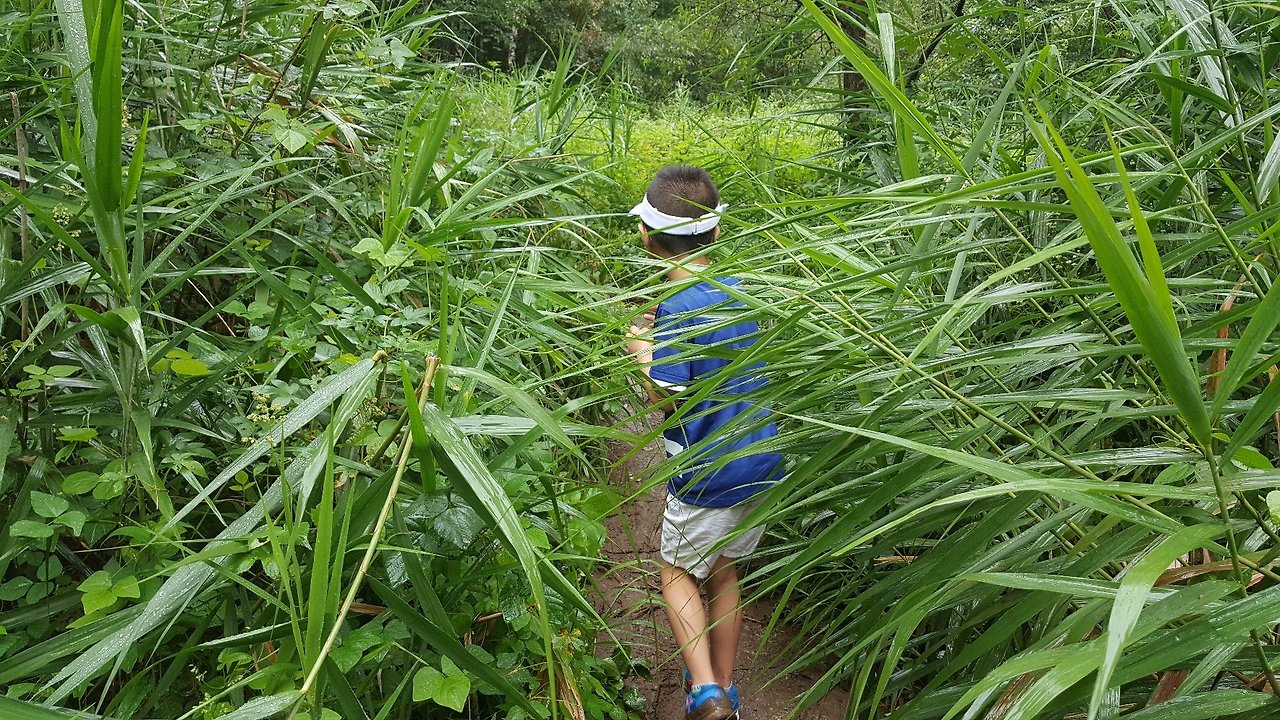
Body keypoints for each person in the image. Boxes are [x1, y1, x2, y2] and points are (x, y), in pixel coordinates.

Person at [624, 165, 783, 720]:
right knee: (724, 570)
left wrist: (640, 348)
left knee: (676, 571)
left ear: (646, 237)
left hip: (707, 470)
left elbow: (666, 397)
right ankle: (726, 689)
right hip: (759, 460)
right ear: (716, 231)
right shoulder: (741, 293)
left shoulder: (677, 305)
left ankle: (705, 692)